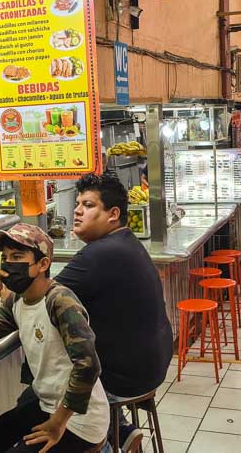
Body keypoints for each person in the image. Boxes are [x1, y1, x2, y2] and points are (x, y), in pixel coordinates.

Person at [0, 224, 108, 453]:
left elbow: (88, 366)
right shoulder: (17, 301)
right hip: (46, 405)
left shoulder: (59, 301)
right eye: (6, 257)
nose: (9, 264)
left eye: (18, 256)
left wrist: (58, 423)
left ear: (43, 264)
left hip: (80, 420)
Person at [56, 173, 173, 451]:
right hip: (151, 365)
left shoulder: (100, 254)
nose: (77, 210)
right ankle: (120, 428)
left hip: (127, 376)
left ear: (113, 214)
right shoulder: (124, 243)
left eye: (88, 204)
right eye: (78, 204)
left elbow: (46, 295)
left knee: (48, 390)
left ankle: (101, 442)